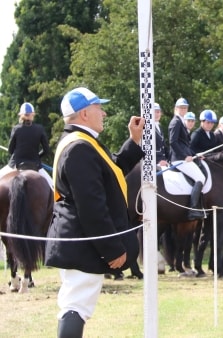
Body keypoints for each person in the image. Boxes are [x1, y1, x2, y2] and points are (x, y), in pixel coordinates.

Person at [44, 87, 145, 337]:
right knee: (75, 307)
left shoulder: (84, 143)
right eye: (99, 107)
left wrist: (134, 141)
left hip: (80, 240)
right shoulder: (80, 147)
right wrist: (112, 248)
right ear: (85, 114)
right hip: (81, 241)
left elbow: (113, 170)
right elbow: (91, 206)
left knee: (77, 305)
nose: (104, 112)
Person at [168, 98, 206, 220]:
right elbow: (172, 142)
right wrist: (184, 156)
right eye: (181, 107)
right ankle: (193, 209)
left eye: (185, 108)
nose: (183, 110)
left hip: (184, 157)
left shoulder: (181, 122)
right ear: (176, 108)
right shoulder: (176, 122)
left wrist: (196, 155)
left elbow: (184, 145)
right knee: (201, 178)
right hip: (179, 159)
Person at [0, 102, 53, 187]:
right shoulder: (39, 129)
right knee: (54, 189)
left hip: (15, 164)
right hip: (35, 164)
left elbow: (10, 150)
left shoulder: (16, 129)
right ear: (33, 115)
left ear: (21, 115)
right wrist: (37, 156)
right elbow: (46, 150)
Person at [153, 103, 169, 168]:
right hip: (155, 162)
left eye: (158, 112)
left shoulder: (159, 126)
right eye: (155, 112)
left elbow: (163, 146)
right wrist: (158, 161)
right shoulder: (148, 128)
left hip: (163, 161)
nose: (157, 114)